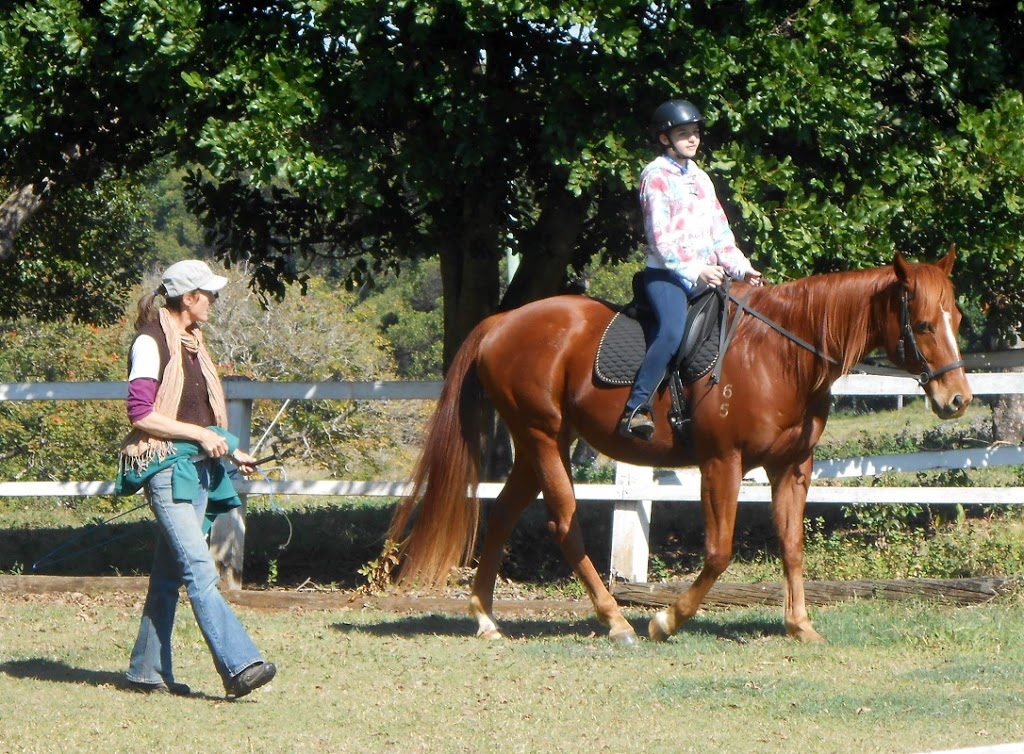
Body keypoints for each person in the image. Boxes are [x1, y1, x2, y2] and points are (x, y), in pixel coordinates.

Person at [116, 259, 277, 699]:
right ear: (189, 299)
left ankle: (145, 672)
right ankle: (241, 665)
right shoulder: (151, 343)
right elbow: (141, 414)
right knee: (200, 571)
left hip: (200, 471)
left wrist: (230, 446)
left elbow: (198, 415)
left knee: (169, 576)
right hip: (168, 471)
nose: (214, 301)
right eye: (209, 294)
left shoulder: (193, 345)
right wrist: (201, 435)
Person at [619, 99, 763, 441]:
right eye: (684, 134)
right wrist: (697, 269)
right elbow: (660, 239)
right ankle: (636, 407)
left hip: (706, 276)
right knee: (671, 331)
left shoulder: (700, 178)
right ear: (665, 139)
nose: (692, 139)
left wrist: (742, 269)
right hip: (667, 276)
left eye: (695, 133)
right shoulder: (654, 176)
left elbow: (720, 233)